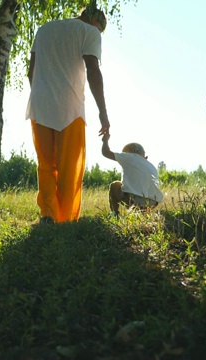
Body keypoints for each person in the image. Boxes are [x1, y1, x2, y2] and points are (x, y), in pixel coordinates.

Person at [26, 4, 110, 224]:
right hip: (69, 107)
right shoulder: (90, 32)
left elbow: (31, 71)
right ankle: (66, 220)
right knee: (69, 166)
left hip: (40, 105)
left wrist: (42, 94)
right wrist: (103, 112)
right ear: (96, 22)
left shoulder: (44, 29)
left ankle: (48, 214)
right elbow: (93, 70)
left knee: (46, 164)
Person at [101, 133, 164, 216]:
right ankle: (142, 214)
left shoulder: (129, 157)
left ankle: (114, 214)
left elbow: (106, 152)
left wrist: (105, 140)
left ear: (127, 153)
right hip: (153, 202)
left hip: (135, 200)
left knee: (114, 185)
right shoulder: (151, 165)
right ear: (144, 156)